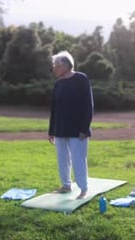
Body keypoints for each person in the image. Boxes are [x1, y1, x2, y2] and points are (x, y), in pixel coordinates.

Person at [48, 50, 94, 199]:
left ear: (66, 66)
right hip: (60, 129)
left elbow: (88, 105)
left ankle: (83, 189)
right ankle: (66, 185)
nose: (54, 69)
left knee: (78, 159)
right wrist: (51, 130)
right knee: (62, 159)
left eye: (56, 65)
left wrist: (85, 128)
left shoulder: (81, 79)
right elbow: (54, 108)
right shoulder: (58, 84)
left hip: (78, 129)